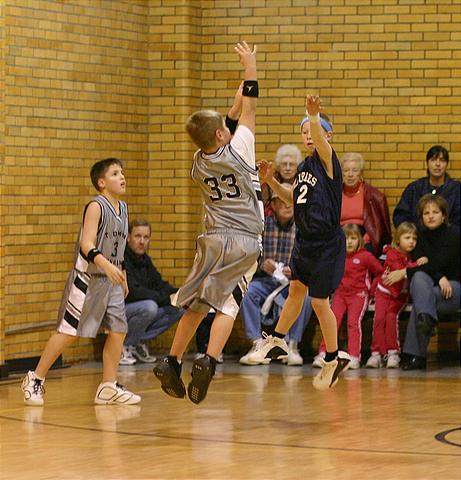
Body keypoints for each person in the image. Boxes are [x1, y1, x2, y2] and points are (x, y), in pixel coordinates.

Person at [153, 41, 263, 404]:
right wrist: (250, 68)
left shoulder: (198, 162)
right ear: (220, 134)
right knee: (229, 304)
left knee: (197, 303)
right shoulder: (240, 147)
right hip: (244, 239)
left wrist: (231, 102)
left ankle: (172, 359)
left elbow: (228, 119)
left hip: (211, 237)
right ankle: (209, 360)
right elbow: (249, 109)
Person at [250, 96, 352, 391]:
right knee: (296, 290)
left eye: (314, 130)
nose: (308, 135)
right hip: (304, 241)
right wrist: (269, 180)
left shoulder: (328, 161)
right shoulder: (305, 167)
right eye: (304, 131)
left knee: (319, 302)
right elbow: (292, 199)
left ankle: (333, 358)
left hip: (326, 243)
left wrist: (313, 114)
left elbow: (319, 136)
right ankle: (278, 340)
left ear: (327, 135)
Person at [21, 158, 140, 406]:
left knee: (119, 330)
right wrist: (106, 265)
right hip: (89, 279)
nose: (122, 177)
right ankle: (35, 378)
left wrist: (122, 272)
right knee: (69, 332)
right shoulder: (96, 206)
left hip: (113, 280)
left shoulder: (125, 208)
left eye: (122, 172)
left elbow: (118, 248)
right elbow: (87, 244)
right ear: (101, 182)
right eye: (115, 173)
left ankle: (108, 386)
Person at [239, 187, 312, 366]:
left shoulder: (304, 227)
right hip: (265, 279)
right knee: (247, 293)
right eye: (282, 202)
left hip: (293, 281)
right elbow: (251, 253)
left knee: (306, 297)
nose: (287, 206)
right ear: (273, 204)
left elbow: (311, 257)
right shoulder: (263, 226)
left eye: (290, 202)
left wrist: (296, 269)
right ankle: (257, 344)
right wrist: (261, 264)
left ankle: (292, 345)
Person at [401, 194, 460, 370]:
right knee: (419, 281)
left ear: (444, 216)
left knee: (422, 300)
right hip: (434, 286)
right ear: (421, 217)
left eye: (435, 212)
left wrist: (438, 275)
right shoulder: (419, 237)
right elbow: (419, 266)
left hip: (454, 286)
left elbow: (440, 262)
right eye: (426, 213)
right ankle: (426, 320)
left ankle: (415, 356)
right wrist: (438, 276)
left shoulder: (454, 235)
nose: (431, 216)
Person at [313, 224, 383, 370]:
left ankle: (354, 356)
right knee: (332, 321)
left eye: (353, 238)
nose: (349, 242)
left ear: (359, 240)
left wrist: (373, 290)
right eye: (346, 238)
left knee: (353, 322)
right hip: (340, 294)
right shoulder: (337, 256)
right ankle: (324, 353)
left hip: (358, 295)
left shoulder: (365, 256)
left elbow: (380, 271)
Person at [120, 219, 183, 365]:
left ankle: (136, 343)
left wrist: (181, 294)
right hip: (119, 310)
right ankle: (123, 346)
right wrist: (166, 298)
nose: (142, 241)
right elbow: (134, 293)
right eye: (137, 236)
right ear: (128, 237)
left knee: (179, 308)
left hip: (138, 309)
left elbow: (159, 284)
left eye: (146, 237)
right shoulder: (123, 259)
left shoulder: (144, 260)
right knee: (149, 307)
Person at [365, 222, 428, 369]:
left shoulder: (414, 255)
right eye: (407, 237)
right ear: (398, 239)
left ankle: (393, 352)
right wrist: (416, 265)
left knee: (391, 316)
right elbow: (398, 270)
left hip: (399, 295)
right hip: (384, 292)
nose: (411, 241)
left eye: (414, 238)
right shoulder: (392, 253)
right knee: (379, 318)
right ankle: (376, 353)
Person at [393, 145, 460, 230]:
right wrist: (411, 233)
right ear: (427, 163)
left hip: (449, 240)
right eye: (433, 160)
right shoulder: (414, 188)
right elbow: (400, 216)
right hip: (418, 240)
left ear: (447, 164)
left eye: (442, 160)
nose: (437, 164)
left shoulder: (456, 189)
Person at [340, 152, 391, 256]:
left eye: (355, 170)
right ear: (341, 173)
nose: (350, 174)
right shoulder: (333, 195)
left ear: (361, 173)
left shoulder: (374, 196)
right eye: (346, 170)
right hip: (340, 238)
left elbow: (377, 226)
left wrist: (361, 242)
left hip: (366, 239)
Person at [261, 144, 303, 216]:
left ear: (297, 167)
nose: (288, 168)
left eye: (291, 164)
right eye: (284, 164)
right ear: (278, 166)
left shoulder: (302, 182)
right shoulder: (268, 184)